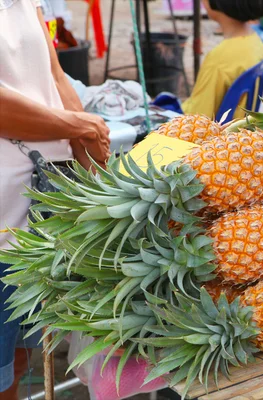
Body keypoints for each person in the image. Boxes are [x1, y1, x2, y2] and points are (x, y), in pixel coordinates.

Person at [0, 0, 110, 397]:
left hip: (45, 210)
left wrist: (86, 149)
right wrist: (78, 124)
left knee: (27, 352)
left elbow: (56, 75)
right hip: (3, 216)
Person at [182, 0, 263, 119]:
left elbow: (197, 117)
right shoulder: (255, 41)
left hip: (214, 133)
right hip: (240, 129)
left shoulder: (219, 59)